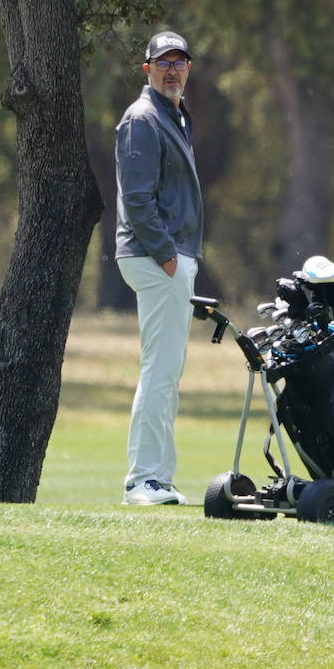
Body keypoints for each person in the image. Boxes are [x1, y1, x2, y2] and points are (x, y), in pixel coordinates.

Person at [114, 30, 203, 505]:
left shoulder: (175, 115)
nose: (172, 70)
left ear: (188, 68)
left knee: (167, 370)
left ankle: (160, 478)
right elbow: (137, 198)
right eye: (163, 62)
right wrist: (168, 254)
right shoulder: (143, 119)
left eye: (179, 62)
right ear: (146, 69)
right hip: (155, 257)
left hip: (167, 256)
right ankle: (142, 479)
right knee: (160, 369)